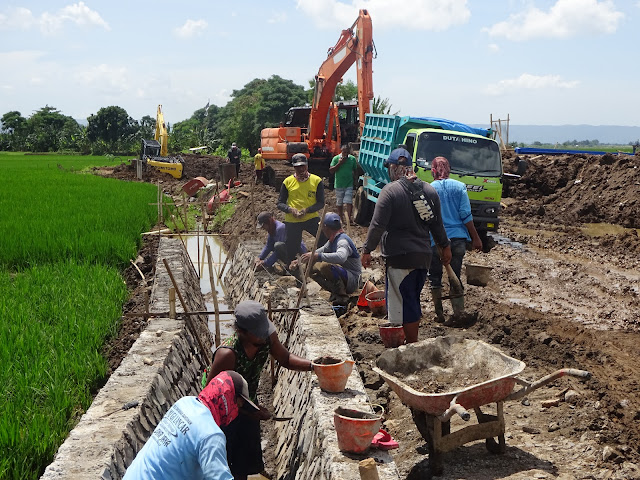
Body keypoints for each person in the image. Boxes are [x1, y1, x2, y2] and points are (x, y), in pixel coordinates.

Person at [205, 300, 315, 480]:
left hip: (249, 405)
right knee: (226, 462)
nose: (263, 338)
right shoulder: (228, 354)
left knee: (244, 463)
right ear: (242, 332)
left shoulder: (267, 338)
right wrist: (250, 411)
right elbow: (211, 397)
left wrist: (313, 366)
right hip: (223, 413)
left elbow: (285, 358)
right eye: (258, 335)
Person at [361, 147, 452, 344]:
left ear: (394, 168)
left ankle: (407, 346)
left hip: (399, 258)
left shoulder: (390, 191)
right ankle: (409, 343)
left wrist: (367, 249)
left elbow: (377, 225)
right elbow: (437, 224)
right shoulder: (429, 190)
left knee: (400, 305)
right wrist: (445, 246)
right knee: (411, 299)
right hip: (422, 258)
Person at [123, 370, 257, 480]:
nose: (236, 412)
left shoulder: (184, 403)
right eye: (238, 405)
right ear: (227, 398)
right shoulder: (211, 435)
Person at [428, 156, 482, 324]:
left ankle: (439, 314)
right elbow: (466, 215)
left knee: (434, 277)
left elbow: (427, 218)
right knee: (455, 276)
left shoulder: (429, 189)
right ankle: (458, 313)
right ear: (449, 170)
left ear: (433, 171)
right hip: (458, 239)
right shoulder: (460, 187)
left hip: (435, 241)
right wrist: (476, 237)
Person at [292, 212, 361, 306]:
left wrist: (318, 256)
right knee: (311, 266)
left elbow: (341, 257)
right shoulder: (333, 240)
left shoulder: (342, 241)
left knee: (325, 266)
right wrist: (301, 260)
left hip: (353, 280)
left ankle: (342, 297)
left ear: (326, 228)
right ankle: (335, 292)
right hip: (346, 276)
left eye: (323, 228)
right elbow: (320, 251)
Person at [277, 153, 327, 266]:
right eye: (297, 167)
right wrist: (290, 210)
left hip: (311, 217)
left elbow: (321, 203)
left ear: (307, 166)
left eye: (303, 166)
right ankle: (290, 267)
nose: (300, 169)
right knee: (291, 247)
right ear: (293, 167)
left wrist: (307, 210)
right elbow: (280, 203)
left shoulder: (316, 181)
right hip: (292, 220)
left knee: (323, 236)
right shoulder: (287, 182)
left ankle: (318, 261)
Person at [329, 144, 358, 222]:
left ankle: (348, 219)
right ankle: (341, 218)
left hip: (349, 183)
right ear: (341, 151)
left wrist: (356, 181)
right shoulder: (336, 158)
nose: (345, 154)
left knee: (349, 201)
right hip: (339, 183)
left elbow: (355, 170)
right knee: (340, 202)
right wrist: (339, 163)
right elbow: (331, 170)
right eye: (344, 152)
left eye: (346, 152)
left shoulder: (352, 159)